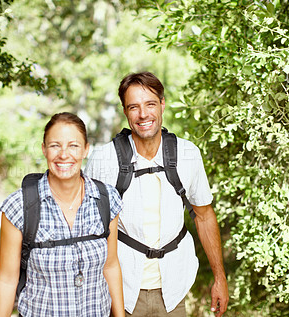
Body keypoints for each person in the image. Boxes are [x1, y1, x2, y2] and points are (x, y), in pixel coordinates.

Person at [85, 72, 229, 316]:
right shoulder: (103, 159)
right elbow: (87, 229)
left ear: (162, 104)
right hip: (120, 290)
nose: (143, 114)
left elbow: (204, 216)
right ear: (125, 111)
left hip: (173, 290)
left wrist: (220, 278)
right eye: (134, 107)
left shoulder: (187, 154)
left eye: (150, 104)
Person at [0, 112, 125, 317]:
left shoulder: (107, 199)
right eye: (55, 145)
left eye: (73, 145)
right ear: (44, 149)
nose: (64, 154)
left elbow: (111, 265)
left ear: (86, 150)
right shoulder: (19, 206)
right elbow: (7, 279)